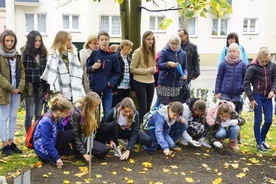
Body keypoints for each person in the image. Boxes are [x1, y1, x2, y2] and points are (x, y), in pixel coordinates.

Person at [244, 47, 276, 151]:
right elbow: (246, 83)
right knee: (258, 120)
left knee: (268, 120)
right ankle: (258, 143)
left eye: (266, 61)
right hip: (257, 95)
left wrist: (273, 90)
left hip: (268, 96)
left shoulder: (272, 65)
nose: (264, 63)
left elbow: (275, 79)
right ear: (258, 58)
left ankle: (262, 139)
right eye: (262, 61)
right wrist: (251, 99)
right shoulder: (253, 67)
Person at [41, 31, 85, 103]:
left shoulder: (73, 53)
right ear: (62, 41)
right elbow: (53, 74)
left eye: (71, 40)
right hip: (60, 89)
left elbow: (78, 71)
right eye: (68, 40)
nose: (70, 42)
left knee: (75, 112)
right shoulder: (53, 54)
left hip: (74, 87)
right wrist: (57, 91)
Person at [0, 29, 25, 155]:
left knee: (13, 116)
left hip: (16, 90)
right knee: (4, 117)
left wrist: (20, 87)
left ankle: (11, 141)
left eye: (12, 41)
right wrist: (10, 88)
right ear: (3, 41)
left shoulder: (17, 55)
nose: (9, 43)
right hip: (4, 90)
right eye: (7, 41)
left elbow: (22, 71)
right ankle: (4, 144)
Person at [65, 92, 109, 162]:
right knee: (103, 151)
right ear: (87, 104)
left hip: (88, 137)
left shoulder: (94, 111)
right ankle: (80, 152)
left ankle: (91, 149)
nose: (97, 108)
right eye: (95, 106)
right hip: (78, 139)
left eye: (98, 105)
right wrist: (84, 153)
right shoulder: (76, 113)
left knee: (105, 149)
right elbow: (75, 134)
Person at [87, 31, 121, 122]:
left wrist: (110, 83)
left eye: (106, 39)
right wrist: (93, 67)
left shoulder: (113, 55)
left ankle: (105, 133)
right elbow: (88, 69)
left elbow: (117, 73)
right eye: (102, 39)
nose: (104, 41)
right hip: (95, 88)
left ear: (109, 41)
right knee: (94, 112)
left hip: (107, 89)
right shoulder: (94, 53)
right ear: (98, 41)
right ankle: (94, 132)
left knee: (107, 113)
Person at [33, 96, 74, 168]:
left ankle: (55, 153)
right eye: (66, 113)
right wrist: (57, 158)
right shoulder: (46, 121)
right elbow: (46, 142)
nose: (68, 115)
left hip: (53, 139)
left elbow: (61, 131)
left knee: (72, 150)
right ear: (59, 112)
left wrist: (67, 141)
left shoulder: (58, 118)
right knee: (71, 134)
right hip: (42, 147)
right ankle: (49, 156)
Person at [21, 30, 49, 133]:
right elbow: (22, 72)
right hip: (29, 87)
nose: (38, 43)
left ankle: (36, 136)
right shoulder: (25, 54)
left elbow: (46, 73)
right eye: (35, 41)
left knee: (38, 114)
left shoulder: (43, 54)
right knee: (29, 114)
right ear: (30, 41)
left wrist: (47, 90)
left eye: (40, 41)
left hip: (40, 86)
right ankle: (29, 136)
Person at [130, 31, 156, 124]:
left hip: (151, 81)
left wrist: (153, 69)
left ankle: (146, 126)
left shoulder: (152, 51)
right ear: (144, 40)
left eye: (152, 39)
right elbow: (132, 69)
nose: (150, 41)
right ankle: (138, 127)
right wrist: (147, 70)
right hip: (140, 82)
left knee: (149, 106)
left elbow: (152, 66)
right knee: (143, 106)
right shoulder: (138, 52)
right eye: (148, 39)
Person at [215, 43, 247, 113]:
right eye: (230, 51)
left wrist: (241, 88)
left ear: (238, 52)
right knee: (224, 113)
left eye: (234, 51)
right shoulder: (223, 63)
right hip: (225, 93)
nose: (232, 53)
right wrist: (217, 91)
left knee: (235, 114)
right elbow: (219, 77)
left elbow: (246, 79)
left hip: (237, 94)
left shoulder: (243, 64)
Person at [157, 35, 187, 105]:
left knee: (174, 107)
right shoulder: (164, 52)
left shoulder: (183, 54)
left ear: (179, 44)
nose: (174, 46)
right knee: (165, 105)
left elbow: (185, 67)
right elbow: (159, 66)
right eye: (172, 43)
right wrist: (168, 64)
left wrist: (185, 74)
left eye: (176, 44)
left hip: (177, 83)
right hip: (165, 83)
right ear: (169, 43)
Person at [178, 28, 200, 103]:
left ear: (186, 35)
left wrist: (196, 73)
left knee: (186, 92)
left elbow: (196, 60)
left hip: (188, 74)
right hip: (178, 73)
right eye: (178, 36)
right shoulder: (177, 46)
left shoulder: (192, 47)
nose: (180, 38)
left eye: (181, 36)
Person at [112, 39, 134, 107]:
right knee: (117, 105)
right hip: (118, 86)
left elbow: (131, 74)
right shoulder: (115, 57)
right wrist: (114, 87)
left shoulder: (129, 60)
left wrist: (132, 88)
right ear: (124, 47)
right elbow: (113, 72)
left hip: (126, 86)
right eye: (129, 48)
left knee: (125, 105)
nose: (131, 50)